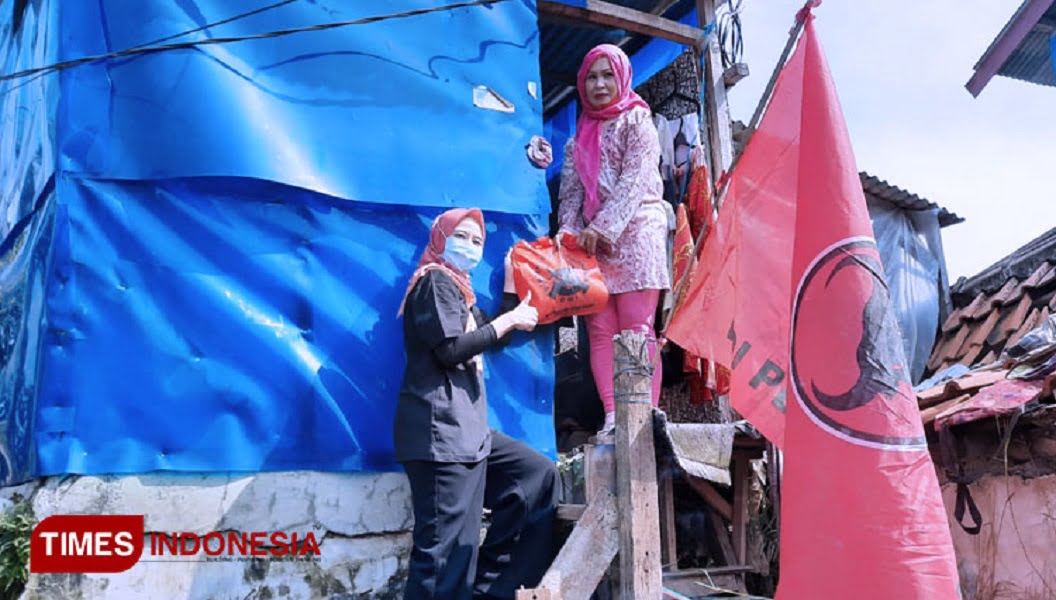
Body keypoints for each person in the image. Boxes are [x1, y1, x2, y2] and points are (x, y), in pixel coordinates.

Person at [395, 207, 559, 600]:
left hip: (467, 433)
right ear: (440, 238)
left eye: (477, 241)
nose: (470, 246)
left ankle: (491, 591)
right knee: (442, 557)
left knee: (535, 477)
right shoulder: (434, 282)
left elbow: (490, 335)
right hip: (440, 433)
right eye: (462, 236)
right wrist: (510, 320)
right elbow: (451, 348)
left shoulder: (460, 293)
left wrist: (507, 290)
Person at [555, 44, 669, 434]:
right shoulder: (576, 140)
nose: (600, 84)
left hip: (637, 233)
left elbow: (635, 181)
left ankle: (642, 416)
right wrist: (567, 235)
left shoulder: (639, 121)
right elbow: (570, 195)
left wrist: (602, 228)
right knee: (600, 332)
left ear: (621, 78)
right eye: (592, 76)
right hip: (591, 247)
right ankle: (612, 417)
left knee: (636, 328)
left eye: (607, 75)